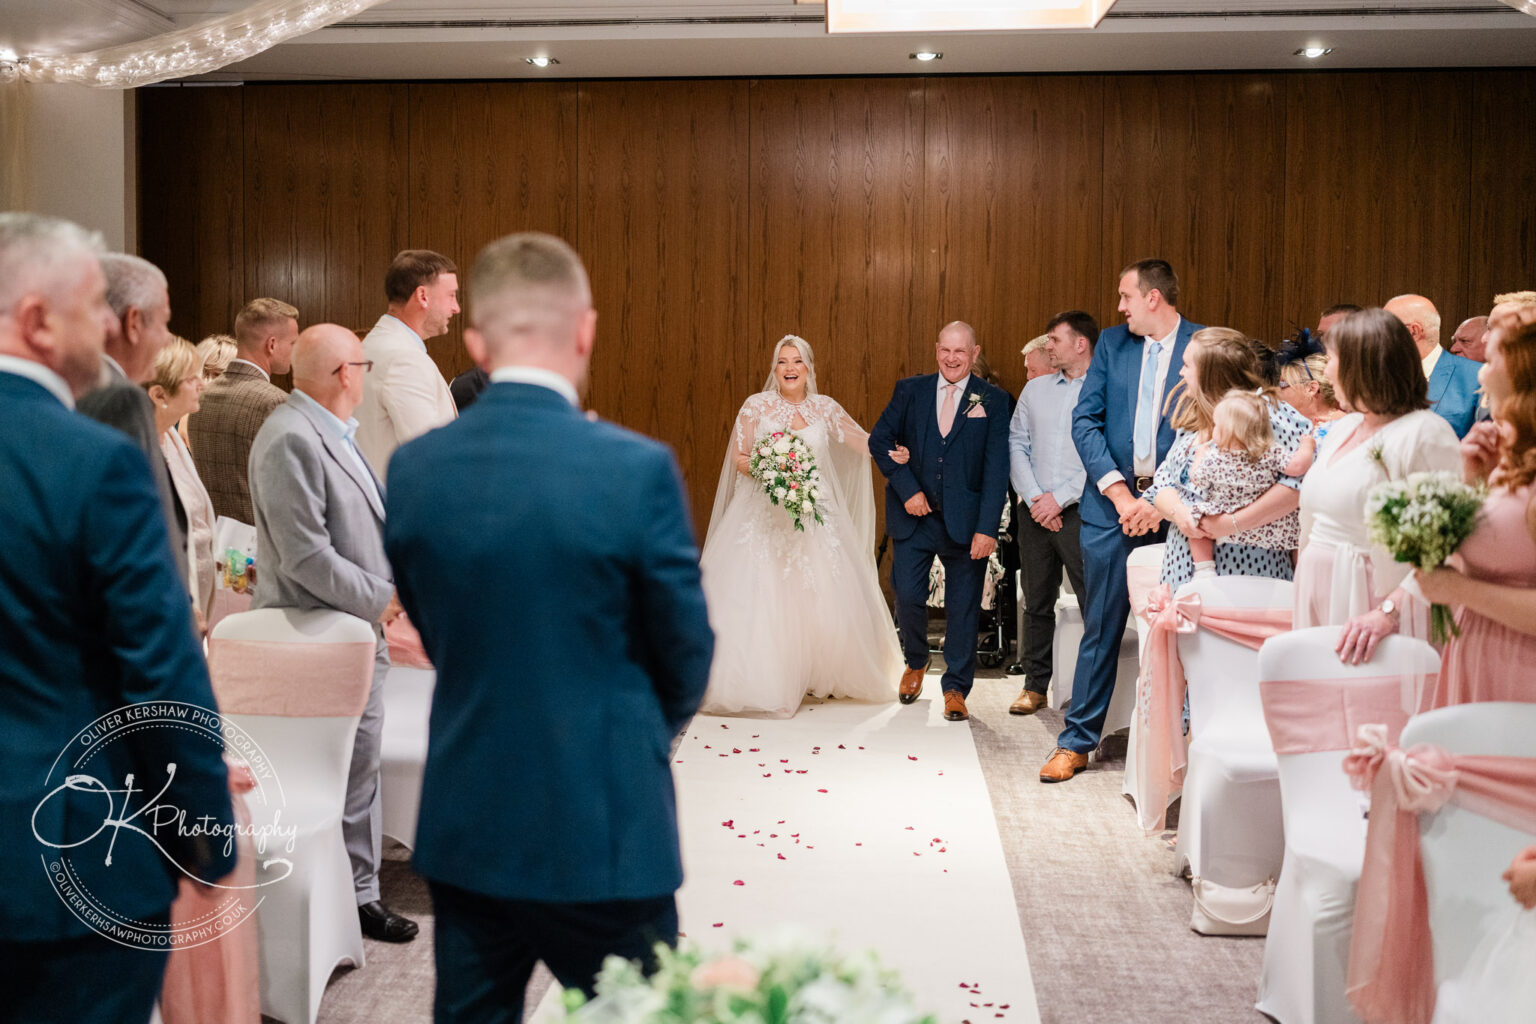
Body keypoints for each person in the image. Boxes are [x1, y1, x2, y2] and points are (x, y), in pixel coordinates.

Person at [384, 232, 713, 1020]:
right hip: (607, 814)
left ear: (475, 344)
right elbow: (687, 652)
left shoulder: (417, 470)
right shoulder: (635, 467)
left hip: (471, 816)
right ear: (586, 330)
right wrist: (632, 732)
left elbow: (433, 626)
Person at [0, 212, 235, 1023]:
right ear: (36, 321)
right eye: (91, 305)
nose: (109, 324)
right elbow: (156, 665)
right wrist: (206, 830)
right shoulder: (92, 461)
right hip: (67, 852)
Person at [247, 324, 416, 943]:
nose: (365, 376)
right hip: (320, 634)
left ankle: (358, 889)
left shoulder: (330, 432)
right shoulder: (291, 436)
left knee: (359, 767)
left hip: (348, 630)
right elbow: (306, 557)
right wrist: (384, 598)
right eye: (363, 366)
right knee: (342, 770)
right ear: (346, 374)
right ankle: (354, 898)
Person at [1039, 259, 1199, 782]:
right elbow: (1085, 420)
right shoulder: (1111, 344)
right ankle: (1077, 740)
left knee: (1182, 628)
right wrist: (1121, 494)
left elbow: (1211, 428)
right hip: (1111, 508)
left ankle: (1179, 746)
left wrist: (1161, 500)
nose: (1120, 306)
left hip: (1177, 513)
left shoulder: (1205, 345)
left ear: (1154, 297)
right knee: (1101, 625)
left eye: (1126, 296)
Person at [698, 335, 900, 717]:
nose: (790, 368)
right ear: (774, 370)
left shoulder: (825, 409)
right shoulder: (755, 407)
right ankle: (760, 678)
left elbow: (864, 443)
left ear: (809, 369)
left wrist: (895, 451)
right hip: (761, 512)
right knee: (761, 593)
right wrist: (773, 468)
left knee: (821, 591)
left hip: (814, 513)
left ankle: (818, 673)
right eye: (782, 362)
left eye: (797, 362)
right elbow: (740, 457)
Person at [1295, 308, 1461, 663]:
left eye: (1332, 359)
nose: (1327, 371)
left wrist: (1388, 612)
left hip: (1372, 603)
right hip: (1319, 594)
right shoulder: (1345, 427)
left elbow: (1444, 547)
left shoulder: (1425, 434)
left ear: (1364, 366)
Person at [870, 321, 1010, 723]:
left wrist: (987, 529)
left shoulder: (993, 400)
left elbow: (997, 468)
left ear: (974, 352)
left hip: (967, 524)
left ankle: (955, 688)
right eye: (946, 350)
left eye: (961, 352)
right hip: (914, 517)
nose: (952, 358)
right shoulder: (909, 391)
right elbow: (879, 441)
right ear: (936, 350)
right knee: (909, 595)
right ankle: (915, 662)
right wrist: (908, 489)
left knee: (963, 608)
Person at [1416, 308, 1536, 706]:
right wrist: (1471, 477)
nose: (1481, 372)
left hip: (1521, 669)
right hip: (1474, 649)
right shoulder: (1505, 454)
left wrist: (1459, 588)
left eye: (1493, 357)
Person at [1148, 328, 1311, 587]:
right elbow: (1163, 481)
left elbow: (1300, 484)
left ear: (1210, 373)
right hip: (1183, 564)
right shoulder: (1195, 415)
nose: (1181, 372)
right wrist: (1181, 514)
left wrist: (1231, 524)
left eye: (1187, 365)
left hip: (1250, 567)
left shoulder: (1263, 412)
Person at [77, 252, 188, 582]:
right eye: (164, 323)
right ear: (134, 322)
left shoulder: (69, 385)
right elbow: (138, 527)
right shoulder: (120, 400)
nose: (168, 338)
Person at [1006, 310, 1096, 715]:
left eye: (1054, 340)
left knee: (1091, 600)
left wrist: (1058, 499)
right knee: (1036, 600)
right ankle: (1034, 685)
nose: (1048, 347)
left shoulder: (1104, 391)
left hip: (1082, 510)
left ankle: (1091, 688)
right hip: (1034, 510)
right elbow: (1016, 443)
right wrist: (1035, 496)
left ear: (1080, 344)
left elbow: (1102, 456)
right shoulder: (1036, 390)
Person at [188, 297, 299, 523]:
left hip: (216, 542)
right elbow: (290, 489)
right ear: (272, 344)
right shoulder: (276, 402)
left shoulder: (201, 398)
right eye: (293, 344)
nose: (295, 352)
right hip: (259, 546)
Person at [355, 249, 460, 482]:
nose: (456, 308)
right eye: (451, 296)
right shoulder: (403, 359)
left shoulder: (373, 345)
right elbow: (429, 457)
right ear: (422, 296)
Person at [1182, 390, 1311, 580]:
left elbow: (1196, 478)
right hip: (1272, 527)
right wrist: (1307, 446)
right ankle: (1300, 573)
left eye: (1216, 425)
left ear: (1227, 431)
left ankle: (1204, 569)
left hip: (1220, 519)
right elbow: (1297, 466)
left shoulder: (1214, 459)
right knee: (1301, 530)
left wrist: (1199, 457)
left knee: (1195, 524)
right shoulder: (1269, 452)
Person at [144, 338, 218, 624]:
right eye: (192, 378)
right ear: (160, 395)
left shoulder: (173, 438)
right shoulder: (140, 450)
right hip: (170, 607)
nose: (202, 384)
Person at [1384, 293, 1482, 438]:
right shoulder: (1376, 377)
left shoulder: (1477, 378)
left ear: (1414, 332)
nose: (1377, 336)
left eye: (1384, 327)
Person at [1277, 346, 1346, 445]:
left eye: (1283, 385)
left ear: (1311, 388)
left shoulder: (1344, 426)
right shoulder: (1286, 422)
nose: (1278, 391)